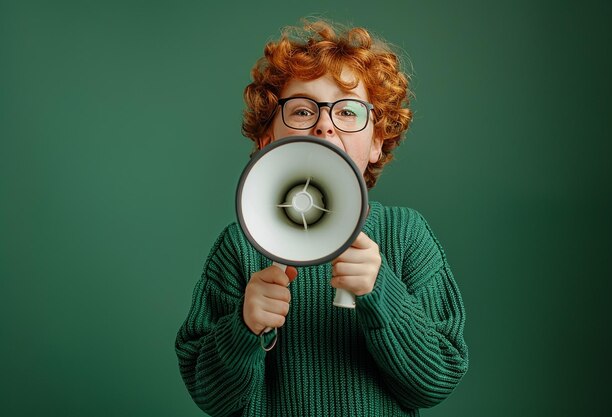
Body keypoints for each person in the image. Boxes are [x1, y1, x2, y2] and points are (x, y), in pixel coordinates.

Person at [175, 19, 468, 417]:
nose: (325, 124)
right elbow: (212, 397)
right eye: (301, 110)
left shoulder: (406, 235)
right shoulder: (240, 247)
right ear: (267, 138)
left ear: (377, 142)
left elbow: (438, 378)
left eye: (348, 111)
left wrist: (380, 292)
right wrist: (243, 328)